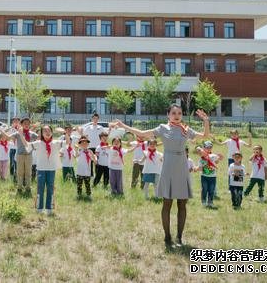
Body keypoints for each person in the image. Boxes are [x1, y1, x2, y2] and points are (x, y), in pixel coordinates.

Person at [114, 105, 210, 247]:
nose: (177, 115)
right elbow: (142, 133)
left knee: (182, 203)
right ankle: (167, 237)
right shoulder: (163, 128)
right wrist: (123, 126)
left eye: (179, 113)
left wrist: (206, 121)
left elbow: (205, 136)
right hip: (168, 165)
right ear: (168, 115)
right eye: (173, 113)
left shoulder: (186, 129)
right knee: (167, 202)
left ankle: (179, 237)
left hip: (182, 165)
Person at [21, 124, 67, 214]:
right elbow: (27, 144)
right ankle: (39, 208)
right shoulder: (38, 143)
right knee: (40, 188)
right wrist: (20, 134)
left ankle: (49, 208)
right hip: (41, 169)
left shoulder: (55, 142)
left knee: (50, 188)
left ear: (52, 132)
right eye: (44, 131)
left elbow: (68, 143)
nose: (47, 132)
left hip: (51, 169)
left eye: (49, 130)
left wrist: (66, 133)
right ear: (41, 133)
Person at [1, 117, 38, 195]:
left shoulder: (32, 134)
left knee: (28, 172)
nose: (27, 125)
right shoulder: (18, 133)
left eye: (28, 124)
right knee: (20, 172)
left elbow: (40, 138)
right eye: (25, 123)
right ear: (21, 124)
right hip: (20, 155)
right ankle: (19, 187)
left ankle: (28, 187)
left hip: (29, 155)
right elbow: (8, 138)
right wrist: (2, 131)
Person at [196, 142, 223, 208]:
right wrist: (197, 168)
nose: (208, 149)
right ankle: (204, 202)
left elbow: (219, 159)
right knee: (204, 189)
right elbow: (199, 168)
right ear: (204, 149)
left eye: (210, 148)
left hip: (212, 177)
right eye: (206, 148)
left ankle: (210, 202)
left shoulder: (213, 156)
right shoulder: (201, 159)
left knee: (211, 190)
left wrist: (220, 156)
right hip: (204, 177)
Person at [75, 135, 97, 200]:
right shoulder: (79, 150)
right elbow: (76, 156)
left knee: (87, 184)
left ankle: (88, 194)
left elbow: (94, 161)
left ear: (88, 144)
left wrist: (93, 157)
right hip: (80, 172)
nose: (84, 144)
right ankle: (79, 195)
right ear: (80, 144)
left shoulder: (90, 151)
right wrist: (76, 149)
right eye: (82, 143)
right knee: (79, 185)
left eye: (86, 142)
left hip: (87, 172)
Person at [81, 113, 103, 178]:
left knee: (97, 162)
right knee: (89, 162)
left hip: (98, 148)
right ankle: (90, 175)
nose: (95, 120)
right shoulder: (88, 127)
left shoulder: (100, 128)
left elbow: (104, 136)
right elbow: (84, 136)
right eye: (94, 118)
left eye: (96, 118)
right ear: (92, 119)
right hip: (90, 147)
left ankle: (97, 176)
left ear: (98, 119)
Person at [8, 117, 20, 183]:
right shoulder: (11, 129)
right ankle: (11, 175)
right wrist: (12, 129)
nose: (15, 123)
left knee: (17, 164)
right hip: (12, 148)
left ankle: (16, 175)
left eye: (17, 121)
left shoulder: (20, 129)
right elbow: (10, 137)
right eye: (14, 121)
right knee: (12, 163)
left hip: (18, 149)